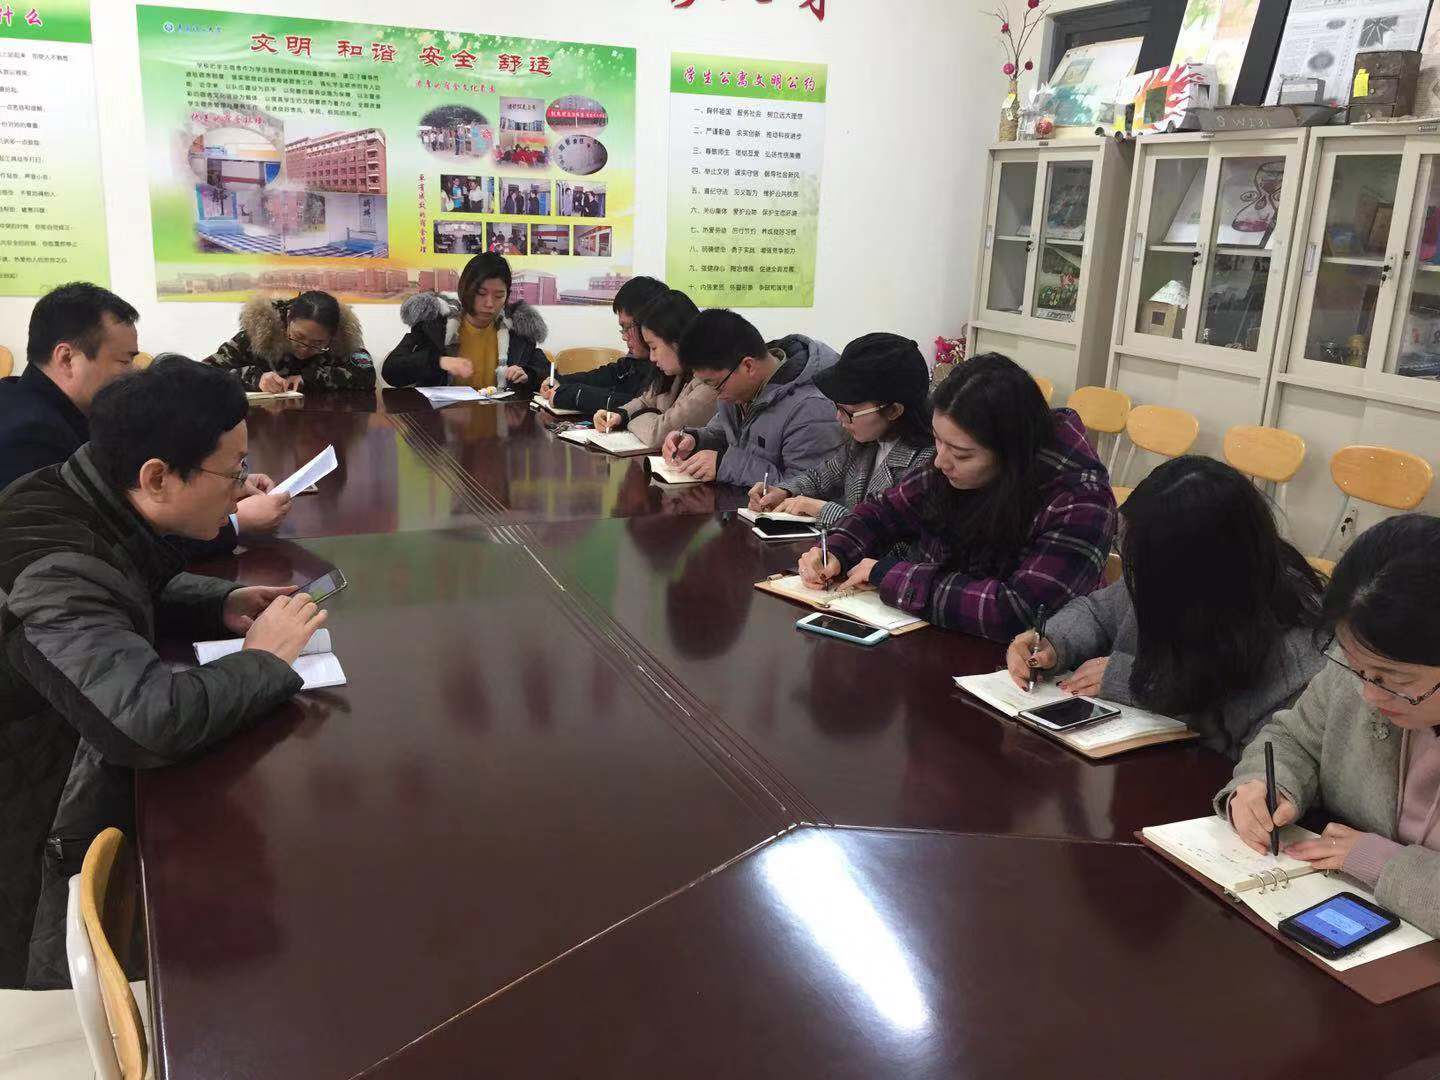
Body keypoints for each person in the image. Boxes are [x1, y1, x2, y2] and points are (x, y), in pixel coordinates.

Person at [0, 357, 327, 988]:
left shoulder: (79, 491)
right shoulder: (53, 568)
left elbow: (121, 582)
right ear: (157, 477)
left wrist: (220, 603)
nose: (242, 490)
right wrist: (262, 661)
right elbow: (146, 723)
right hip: (31, 819)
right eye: (233, 471)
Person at [1007, 456, 1325, 759]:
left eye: (1140, 567)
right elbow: (1097, 612)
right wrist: (1054, 641)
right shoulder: (1161, 574)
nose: (1133, 580)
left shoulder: (1297, 654)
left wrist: (1136, 683)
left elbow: (1241, 750)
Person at [1217, 514, 1440, 938]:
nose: (1368, 694)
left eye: (1393, 679)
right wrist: (1268, 785)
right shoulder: (1362, 662)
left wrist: (1381, 862)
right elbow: (1293, 737)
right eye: (1358, 668)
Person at [797, 353, 1116, 642]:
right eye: (938, 441)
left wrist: (890, 575)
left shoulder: (1079, 501)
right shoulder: (950, 465)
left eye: (962, 454)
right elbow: (882, 511)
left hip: (1017, 670)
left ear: (1011, 451)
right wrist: (835, 550)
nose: (940, 462)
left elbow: (1017, 611)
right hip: (935, 640)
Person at [0, 283, 291, 540]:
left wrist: (218, 482)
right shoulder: (28, 437)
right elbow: (99, 537)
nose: (133, 374)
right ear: (66, 358)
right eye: (124, 361)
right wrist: (236, 523)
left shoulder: (44, 404)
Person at [746, 332, 934, 537]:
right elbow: (821, 477)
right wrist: (784, 491)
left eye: (849, 412)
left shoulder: (926, 465)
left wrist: (823, 510)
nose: (838, 417)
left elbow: (897, 541)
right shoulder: (867, 442)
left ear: (893, 411)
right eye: (837, 406)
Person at [661, 309, 843, 486]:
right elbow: (724, 433)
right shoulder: (739, 389)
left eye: (716, 385)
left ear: (748, 366)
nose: (718, 396)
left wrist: (726, 465)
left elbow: (805, 487)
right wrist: (695, 440)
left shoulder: (811, 407)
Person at [383, 252, 548, 390]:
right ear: (465, 290)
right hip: (442, 417)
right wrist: (439, 362)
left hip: (499, 415)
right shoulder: (434, 325)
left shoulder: (518, 331)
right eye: (481, 293)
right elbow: (391, 371)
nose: (489, 303)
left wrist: (528, 375)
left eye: (499, 296)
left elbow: (547, 372)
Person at [593, 289, 718, 445]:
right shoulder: (675, 373)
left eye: (654, 347)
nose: (652, 357)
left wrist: (632, 418)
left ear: (678, 340)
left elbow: (658, 434)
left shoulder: (710, 383)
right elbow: (646, 401)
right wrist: (618, 415)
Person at [539, 275, 667, 413]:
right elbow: (605, 376)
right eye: (622, 329)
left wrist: (576, 395)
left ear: (647, 324)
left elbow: (639, 405)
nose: (624, 337)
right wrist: (561, 382)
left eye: (627, 327)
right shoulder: (634, 361)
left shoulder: (666, 367)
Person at [205, 290, 376, 392]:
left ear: (332, 336)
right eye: (298, 337)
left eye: (318, 343)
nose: (304, 349)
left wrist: (310, 378)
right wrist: (255, 377)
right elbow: (205, 373)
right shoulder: (259, 335)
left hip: (322, 425)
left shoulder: (343, 340)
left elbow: (365, 375)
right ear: (287, 320)